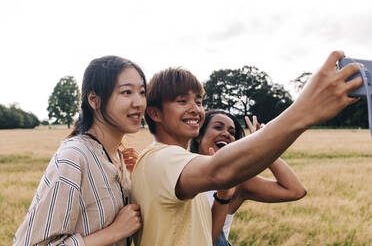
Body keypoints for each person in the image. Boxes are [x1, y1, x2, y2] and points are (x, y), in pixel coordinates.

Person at [131, 51, 363, 245]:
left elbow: (207, 238)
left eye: (199, 102)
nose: (195, 109)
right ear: (154, 113)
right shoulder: (162, 158)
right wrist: (306, 110)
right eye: (182, 101)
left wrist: (222, 198)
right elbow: (220, 170)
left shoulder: (178, 169)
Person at [14, 55, 146, 246]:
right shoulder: (74, 157)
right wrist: (115, 231)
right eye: (127, 92)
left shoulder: (120, 157)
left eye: (142, 92)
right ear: (94, 100)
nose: (139, 102)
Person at [190, 110, 307, 245]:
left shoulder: (237, 182)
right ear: (198, 135)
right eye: (218, 127)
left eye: (232, 133)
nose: (226, 134)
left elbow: (295, 190)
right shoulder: (180, 169)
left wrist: (264, 145)